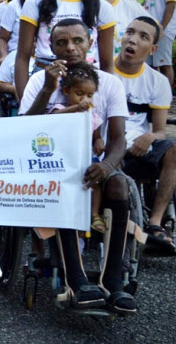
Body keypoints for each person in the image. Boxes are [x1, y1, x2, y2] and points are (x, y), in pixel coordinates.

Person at [19, 19, 135, 314]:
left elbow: (119, 137)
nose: (70, 48)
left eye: (77, 41)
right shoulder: (39, 80)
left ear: (90, 43)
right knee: (65, 186)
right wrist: (48, 89)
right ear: (51, 46)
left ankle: (113, 281)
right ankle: (76, 279)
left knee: (120, 185)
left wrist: (108, 165)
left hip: (94, 164)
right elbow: (22, 131)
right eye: (61, 43)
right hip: (50, 167)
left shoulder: (109, 83)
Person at [15, 0, 115, 100]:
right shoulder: (35, 2)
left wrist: (104, 98)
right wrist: (23, 98)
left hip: (87, 84)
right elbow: (22, 56)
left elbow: (107, 63)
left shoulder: (102, 7)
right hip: (44, 79)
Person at [113, 16, 176, 253]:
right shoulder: (103, 70)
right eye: (130, 32)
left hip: (140, 143)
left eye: (143, 37)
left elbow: (159, 129)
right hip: (109, 141)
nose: (133, 40)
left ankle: (155, 223)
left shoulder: (158, 82)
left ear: (153, 49)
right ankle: (117, 219)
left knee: (173, 150)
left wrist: (149, 137)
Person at [48, 61, 105, 233]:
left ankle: (94, 214)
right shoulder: (61, 108)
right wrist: (74, 108)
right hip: (65, 156)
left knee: (95, 181)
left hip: (86, 156)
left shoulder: (92, 115)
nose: (85, 99)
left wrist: (99, 141)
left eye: (89, 95)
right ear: (66, 91)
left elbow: (96, 133)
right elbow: (54, 117)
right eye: (79, 94)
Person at [143, 0, 176, 87]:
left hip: (163, 31)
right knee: (150, 65)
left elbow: (171, 5)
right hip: (151, 31)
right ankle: (154, 94)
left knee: (164, 64)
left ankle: (166, 97)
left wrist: (161, 28)